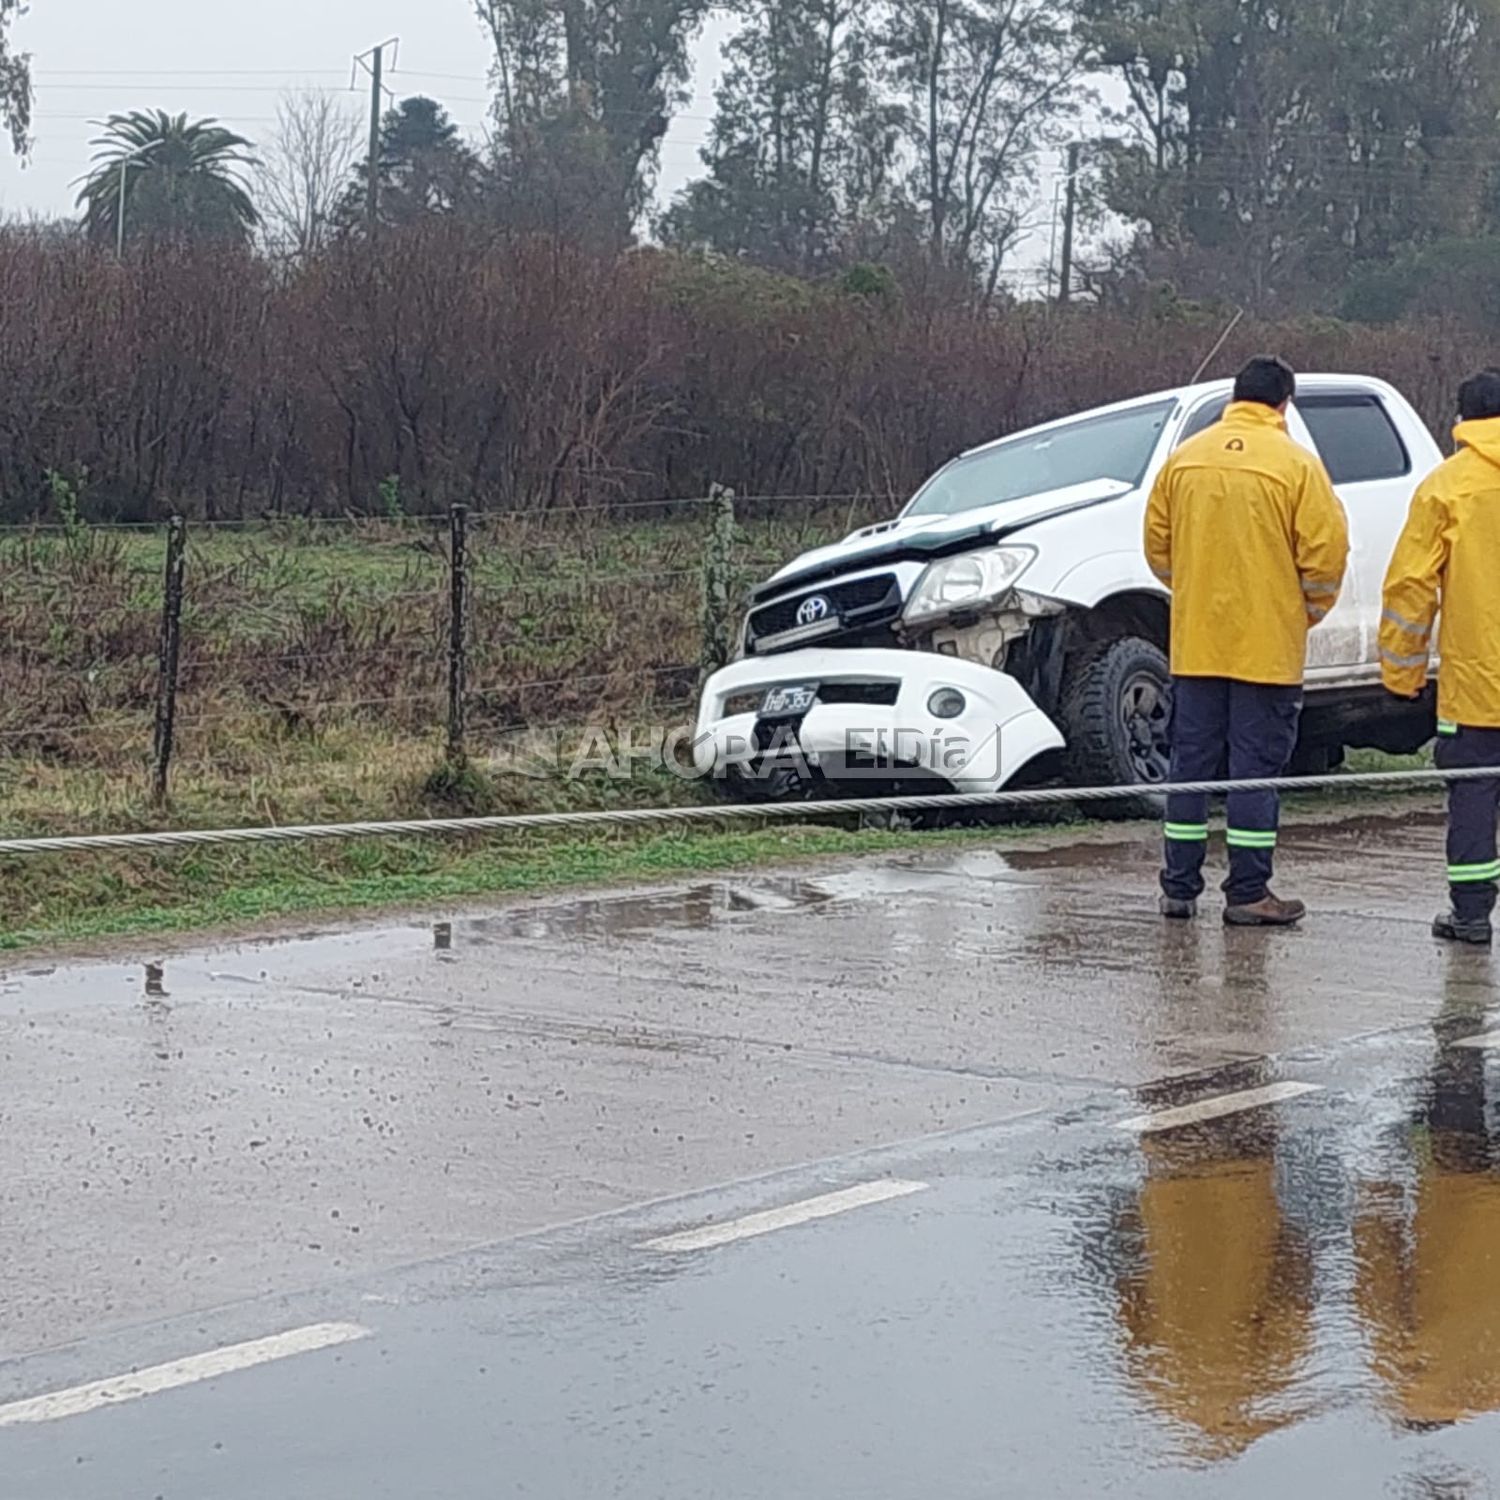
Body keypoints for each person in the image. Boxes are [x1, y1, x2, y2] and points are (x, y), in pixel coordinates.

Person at [1144, 356, 1349, 925]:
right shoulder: (1297, 466)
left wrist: (1195, 594)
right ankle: (1248, 893)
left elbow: (1158, 548)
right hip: (1266, 651)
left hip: (1196, 645)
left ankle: (1178, 889)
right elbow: (1327, 558)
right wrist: (1299, 612)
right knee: (1255, 772)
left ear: (1233, 398)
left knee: (1190, 767)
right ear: (1284, 404)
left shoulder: (1184, 461)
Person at [1380, 368, 1500, 946]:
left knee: (1473, 792)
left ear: (1461, 421)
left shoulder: (1446, 487)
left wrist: (1400, 672)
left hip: (1476, 680)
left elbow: (1410, 587)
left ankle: (1472, 915)